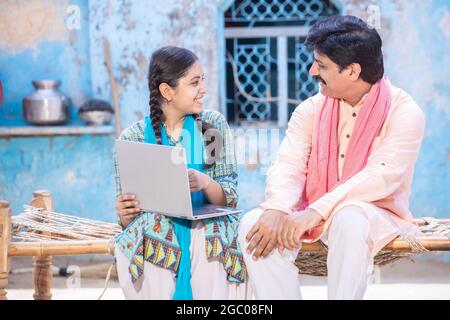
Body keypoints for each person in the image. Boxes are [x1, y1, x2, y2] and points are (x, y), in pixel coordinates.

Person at [238, 15, 426, 300]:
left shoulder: (404, 112)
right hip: (309, 209)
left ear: (352, 71)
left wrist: (316, 212)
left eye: (322, 65)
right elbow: (289, 163)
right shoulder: (311, 109)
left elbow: (380, 176)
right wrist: (277, 208)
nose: (312, 70)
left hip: (376, 213)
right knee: (254, 223)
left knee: (349, 218)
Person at [113, 46, 248, 300]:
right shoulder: (133, 138)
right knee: (150, 227)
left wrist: (205, 182)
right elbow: (127, 221)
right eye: (194, 82)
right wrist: (124, 212)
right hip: (157, 227)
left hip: (206, 225)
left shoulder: (212, 126)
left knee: (210, 231)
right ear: (167, 91)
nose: (203, 89)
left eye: (203, 81)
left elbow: (230, 198)